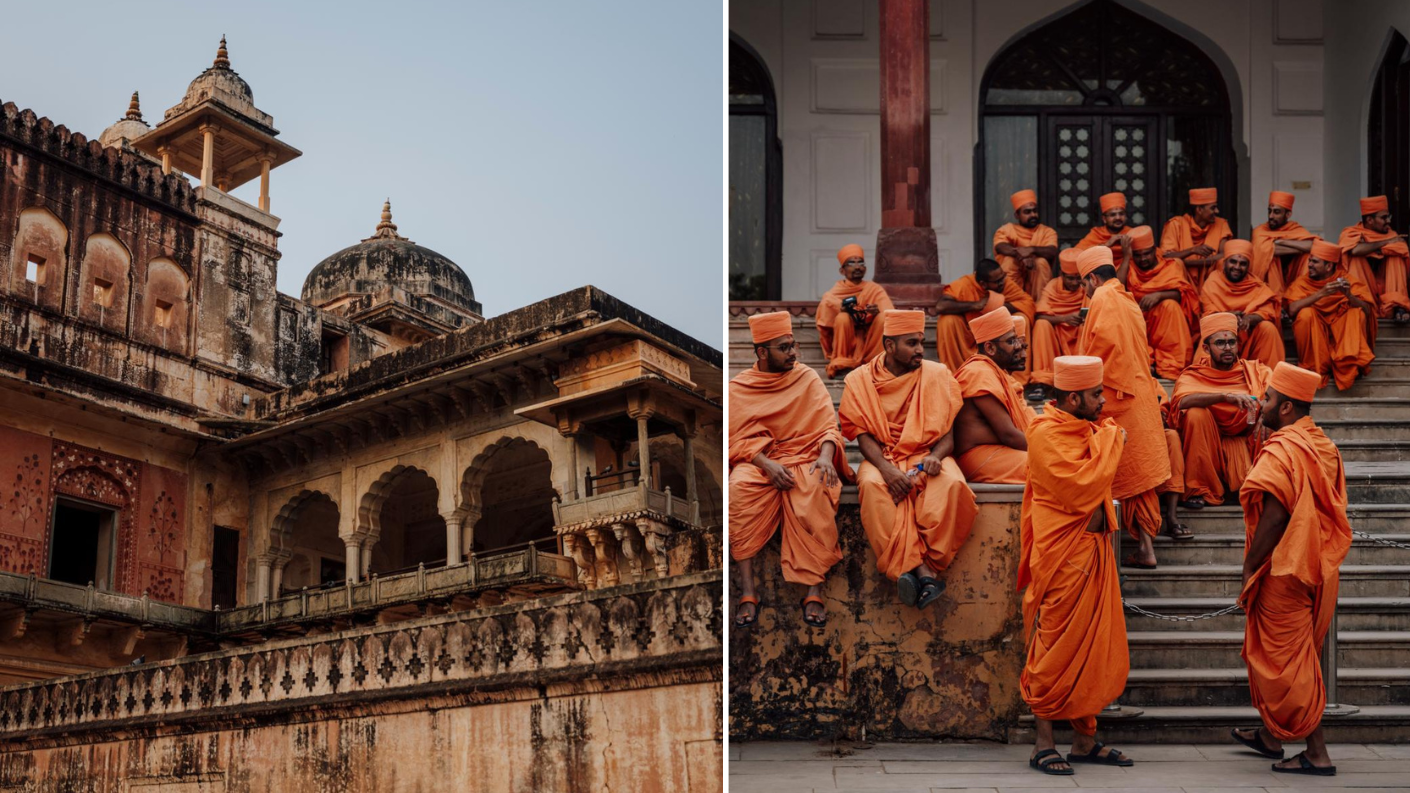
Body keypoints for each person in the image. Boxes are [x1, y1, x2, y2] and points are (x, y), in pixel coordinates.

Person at [1230, 362, 1352, 777]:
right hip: (1317, 566)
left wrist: (1249, 565)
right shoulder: (1322, 444)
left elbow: (1278, 515)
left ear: (1284, 408)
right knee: (1299, 655)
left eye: (1266, 398)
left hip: (1285, 569)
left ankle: (1316, 753)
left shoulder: (1284, 448)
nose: (1261, 403)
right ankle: (1271, 736)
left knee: (1289, 662)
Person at [1019, 355, 1133, 777]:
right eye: (1096, 394)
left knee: (1092, 649)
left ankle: (1084, 739)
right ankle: (1043, 743)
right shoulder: (1045, 434)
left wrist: (1106, 439)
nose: (1103, 401)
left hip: (1094, 550)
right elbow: (1081, 488)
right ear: (1072, 397)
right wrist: (1111, 442)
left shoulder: (1091, 430)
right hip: (1061, 556)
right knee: (1053, 647)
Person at [839, 310, 978, 609]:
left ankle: (915, 568)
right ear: (889, 346)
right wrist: (887, 470)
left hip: (927, 455)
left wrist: (935, 457)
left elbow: (948, 436)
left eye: (921, 343)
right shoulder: (859, 380)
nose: (919, 350)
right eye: (911, 343)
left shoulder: (938, 374)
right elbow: (863, 438)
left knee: (953, 484)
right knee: (874, 487)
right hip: (882, 458)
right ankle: (924, 573)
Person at [729, 312, 850, 629]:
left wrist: (826, 457)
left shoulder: (807, 377)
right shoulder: (739, 388)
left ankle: (813, 590)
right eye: (784, 348)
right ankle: (748, 591)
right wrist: (766, 465)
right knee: (738, 488)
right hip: (761, 461)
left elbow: (828, 427)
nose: (794, 353)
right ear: (762, 353)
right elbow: (734, 439)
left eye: (794, 345)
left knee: (813, 487)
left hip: (806, 457)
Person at [1077, 246, 1172, 568]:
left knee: (1114, 470)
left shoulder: (1102, 298)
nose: (1084, 291)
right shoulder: (1126, 298)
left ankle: (1109, 548)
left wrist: (1076, 379)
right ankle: (1145, 546)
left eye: (1083, 284)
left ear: (1091, 278)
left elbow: (1103, 345)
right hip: (1140, 391)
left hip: (1116, 395)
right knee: (1139, 473)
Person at [1169, 313, 1273, 509]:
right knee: (1195, 414)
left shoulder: (1256, 371)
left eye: (1232, 342)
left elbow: (1278, 396)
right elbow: (1181, 402)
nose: (1228, 348)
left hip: (1248, 438)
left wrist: (1266, 414)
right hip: (1209, 444)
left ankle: (1263, 485)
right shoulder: (1194, 374)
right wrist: (1224, 397)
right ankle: (1199, 487)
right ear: (1207, 348)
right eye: (1220, 343)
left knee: (1273, 422)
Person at [953, 308, 1036, 483]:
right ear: (990, 347)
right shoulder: (978, 372)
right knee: (1052, 466)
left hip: (999, 450)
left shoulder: (993, 372)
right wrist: (1049, 449)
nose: (1018, 347)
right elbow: (1009, 434)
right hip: (979, 456)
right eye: (1012, 341)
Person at [1285, 240, 1376, 391]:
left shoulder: (1347, 280)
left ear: (1328, 266)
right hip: (1317, 336)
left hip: (1340, 337)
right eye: (1310, 260)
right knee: (1305, 314)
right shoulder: (1302, 282)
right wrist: (1321, 294)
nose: (1309, 265)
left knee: (1356, 313)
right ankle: (1314, 366)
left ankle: (1347, 365)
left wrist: (1349, 296)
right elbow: (1291, 309)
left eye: (1315, 262)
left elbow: (1367, 311)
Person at [934, 258, 1035, 374]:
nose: (1003, 282)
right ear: (983, 284)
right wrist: (975, 305)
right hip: (970, 336)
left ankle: (1016, 376)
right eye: (998, 281)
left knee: (1021, 317)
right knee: (947, 320)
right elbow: (941, 306)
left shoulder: (1005, 284)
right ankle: (955, 374)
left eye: (1003, 277)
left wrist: (997, 306)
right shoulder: (964, 285)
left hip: (997, 335)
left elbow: (1028, 303)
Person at [1124, 225, 1199, 380]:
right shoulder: (1129, 267)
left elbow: (1184, 294)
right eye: (1138, 255)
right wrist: (1126, 257)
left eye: (1147, 254)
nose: (1143, 259)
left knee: (1170, 306)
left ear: (1154, 250)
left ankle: (1172, 367)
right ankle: (1147, 364)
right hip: (1137, 320)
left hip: (1163, 321)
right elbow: (1114, 287)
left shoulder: (1170, 265)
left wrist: (1159, 295)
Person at [1199, 239, 1285, 370]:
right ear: (1224, 263)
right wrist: (1229, 318)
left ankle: (1266, 379)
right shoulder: (1213, 282)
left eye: (1243, 263)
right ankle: (1209, 379)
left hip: (1249, 339)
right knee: (1212, 334)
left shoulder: (1256, 285)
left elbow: (1267, 311)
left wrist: (1249, 319)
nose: (1237, 267)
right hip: (1222, 337)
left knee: (1268, 328)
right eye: (1233, 261)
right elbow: (1208, 314)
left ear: (1248, 266)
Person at [817, 244, 896, 378]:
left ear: (865, 268)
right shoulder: (833, 294)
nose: (857, 267)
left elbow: (890, 314)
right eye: (851, 263)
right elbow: (825, 320)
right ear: (842, 270)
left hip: (869, 336)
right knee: (842, 317)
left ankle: (876, 361)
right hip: (848, 337)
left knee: (883, 318)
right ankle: (843, 364)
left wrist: (875, 313)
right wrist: (841, 310)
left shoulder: (874, 289)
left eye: (860, 262)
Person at [1338, 195, 1410, 324]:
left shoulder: (1391, 234)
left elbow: (1401, 248)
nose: (1388, 221)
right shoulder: (1351, 233)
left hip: (1385, 289)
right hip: (1366, 290)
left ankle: (1397, 305)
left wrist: (1370, 248)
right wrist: (1386, 243)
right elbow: (1354, 250)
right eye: (1383, 217)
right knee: (1355, 259)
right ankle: (1363, 303)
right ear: (1370, 220)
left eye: (1388, 216)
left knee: (1396, 256)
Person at [1029, 249, 1087, 401]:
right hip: (1058, 336)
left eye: (1078, 278)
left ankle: (1081, 377)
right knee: (1041, 324)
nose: (1075, 283)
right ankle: (1042, 381)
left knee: (1086, 327)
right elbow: (1040, 314)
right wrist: (1064, 319)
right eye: (1070, 278)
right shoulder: (1052, 286)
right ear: (1061, 274)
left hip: (1080, 335)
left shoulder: (1088, 286)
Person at [1160, 187, 1233, 290]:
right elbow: (1166, 258)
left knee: (1223, 263)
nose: (1217, 211)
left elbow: (1226, 255)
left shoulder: (1221, 224)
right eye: (1213, 208)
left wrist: (1190, 262)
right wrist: (1193, 250)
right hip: (1182, 282)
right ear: (1199, 209)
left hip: (1212, 282)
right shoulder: (1175, 224)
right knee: (1176, 263)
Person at [994, 189, 1060, 300]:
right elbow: (1000, 247)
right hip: (1015, 287)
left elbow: (1052, 251)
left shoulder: (1047, 231)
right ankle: (1012, 301)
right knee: (1009, 261)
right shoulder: (1006, 230)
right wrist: (1022, 256)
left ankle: (1040, 305)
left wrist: (1031, 250)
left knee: (1041, 262)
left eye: (1035, 211)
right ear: (1017, 215)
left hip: (1036, 279)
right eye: (1027, 212)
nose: (1033, 215)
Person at [1250, 191, 1315, 293]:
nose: (1271, 216)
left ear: (1288, 214)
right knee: (1270, 257)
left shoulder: (1295, 229)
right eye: (1269, 211)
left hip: (1292, 277)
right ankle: (1276, 298)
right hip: (1268, 282)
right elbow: (1266, 250)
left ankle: (1300, 294)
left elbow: (1314, 246)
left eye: (1276, 212)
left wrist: (1282, 242)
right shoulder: (1260, 231)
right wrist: (1299, 249)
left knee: (1308, 256)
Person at [1074, 192, 1134, 265]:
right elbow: (1076, 254)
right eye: (1113, 215)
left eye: (1121, 214)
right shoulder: (1097, 233)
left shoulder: (1131, 233)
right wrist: (1106, 244)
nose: (1118, 217)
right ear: (1104, 219)